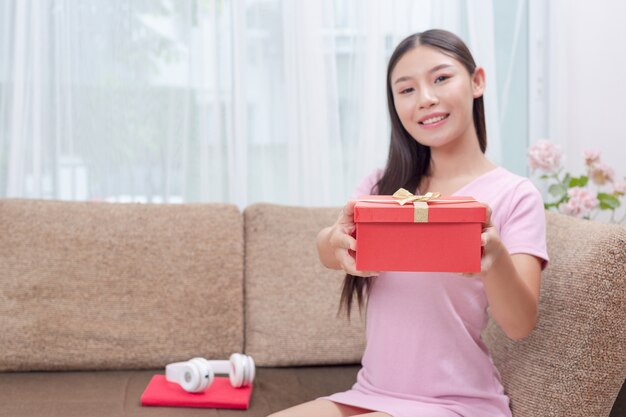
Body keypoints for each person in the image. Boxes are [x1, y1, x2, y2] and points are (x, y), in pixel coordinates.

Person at [269, 29, 548, 417]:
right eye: (406, 89)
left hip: (458, 404)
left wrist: (495, 259)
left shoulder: (514, 195)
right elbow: (327, 247)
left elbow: (520, 324)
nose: (426, 99)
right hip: (369, 394)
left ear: (477, 80)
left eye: (441, 78)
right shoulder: (382, 185)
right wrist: (335, 240)